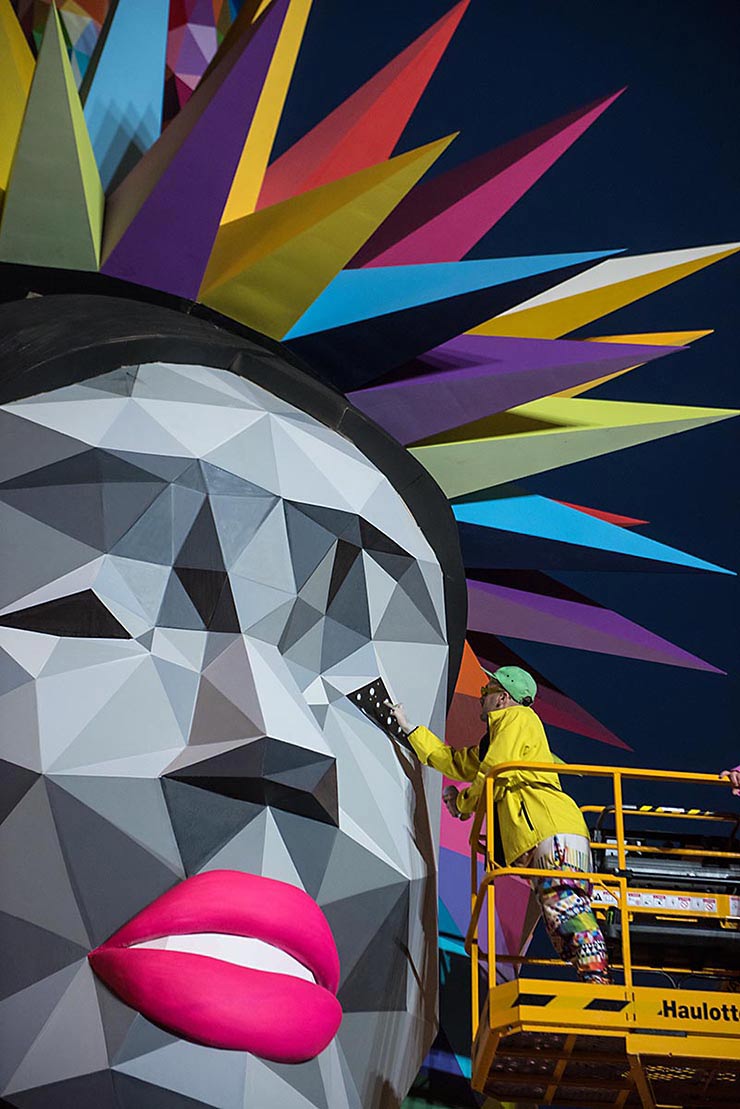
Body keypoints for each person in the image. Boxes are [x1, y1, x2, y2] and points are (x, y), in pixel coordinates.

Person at [389, 666, 612, 986]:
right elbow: (455, 761)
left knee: (564, 904)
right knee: (557, 917)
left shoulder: (518, 718)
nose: (482, 698)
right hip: (541, 831)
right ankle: (591, 974)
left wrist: (463, 804)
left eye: (486, 692)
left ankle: (597, 977)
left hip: (550, 826)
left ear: (503, 698)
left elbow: (496, 770)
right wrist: (410, 730)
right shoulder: (498, 737)